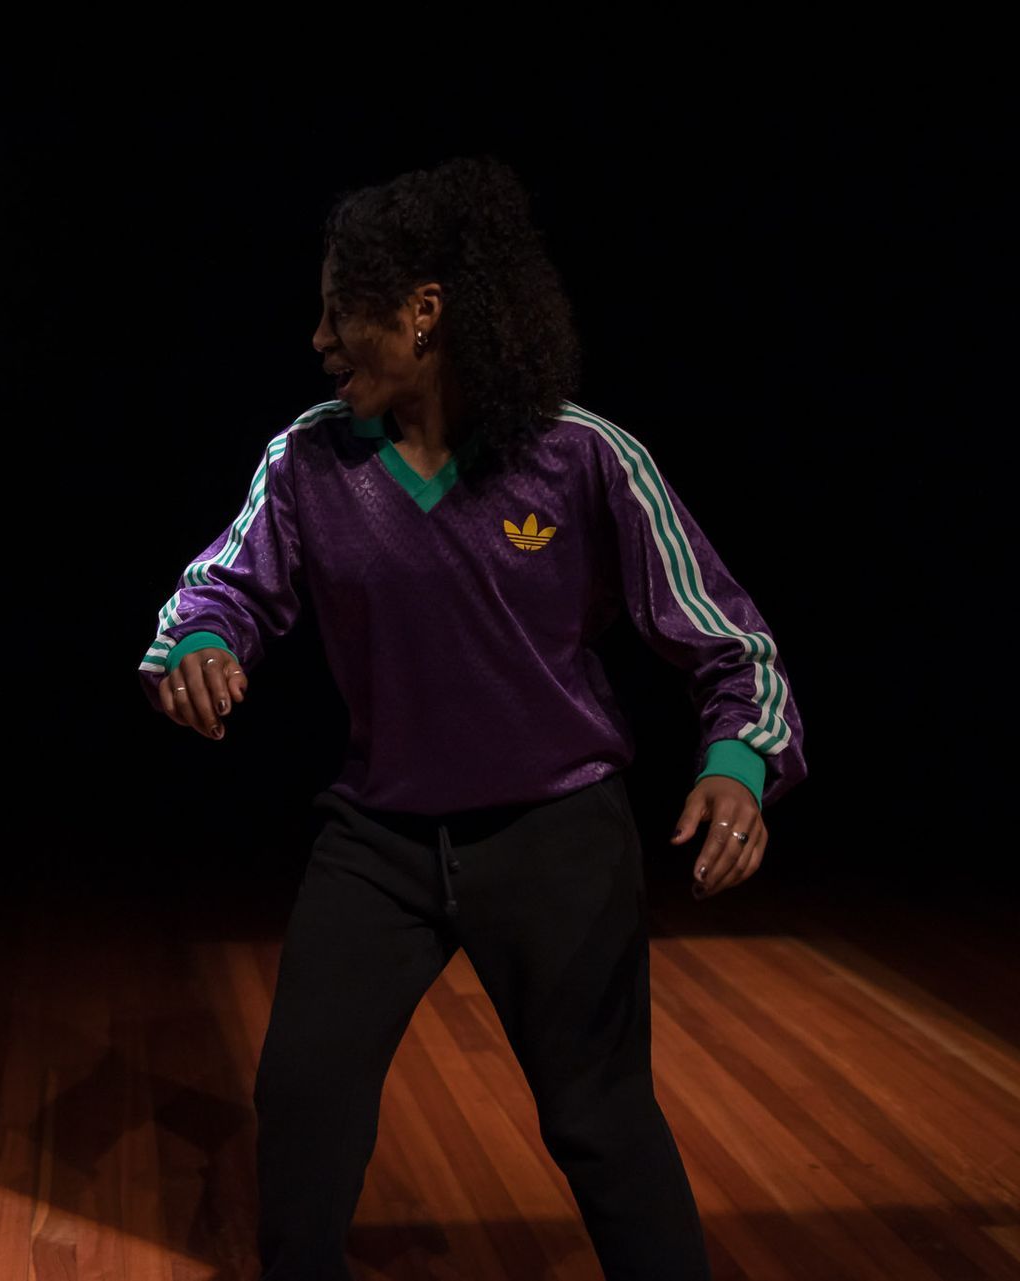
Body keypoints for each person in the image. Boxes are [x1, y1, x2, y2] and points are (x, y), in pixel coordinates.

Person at [138, 157, 804, 1280]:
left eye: (340, 310)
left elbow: (730, 642)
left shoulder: (583, 455)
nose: (318, 339)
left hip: (557, 838)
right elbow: (216, 593)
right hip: (382, 843)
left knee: (599, 1122)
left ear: (424, 311)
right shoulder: (308, 460)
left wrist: (740, 764)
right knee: (300, 1105)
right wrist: (202, 645)